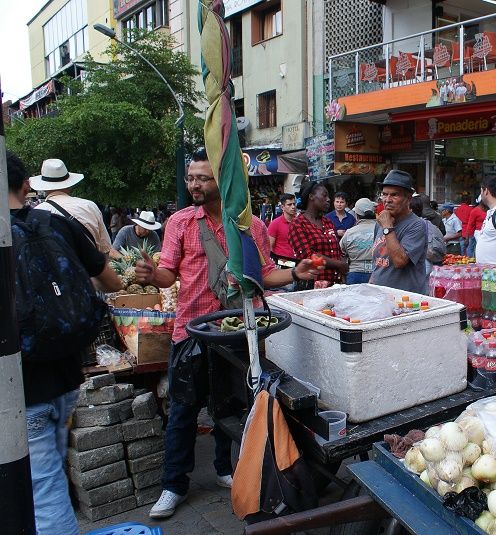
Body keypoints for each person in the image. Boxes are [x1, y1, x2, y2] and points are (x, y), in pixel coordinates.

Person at [135, 148, 320, 519]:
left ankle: (223, 468)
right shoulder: (181, 222)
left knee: (229, 407)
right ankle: (173, 485)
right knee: (184, 412)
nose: (194, 185)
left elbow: (265, 275)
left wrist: (296, 274)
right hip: (192, 331)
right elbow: (168, 274)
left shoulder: (249, 226)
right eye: (191, 178)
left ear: (222, 182)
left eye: (202, 178)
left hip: (237, 334)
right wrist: (151, 275)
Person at [7, 150, 123, 534]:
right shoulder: (55, 222)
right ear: (26, 186)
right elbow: (113, 282)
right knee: (49, 473)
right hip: (67, 369)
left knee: (43, 487)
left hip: (22, 386)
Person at [31, 158, 113, 254]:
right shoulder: (90, 206)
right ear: (69, 184)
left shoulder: (37, 213)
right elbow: (105, 249)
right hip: (89, 267)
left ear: (44, 186)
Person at [370, 170, 428, 294]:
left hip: (406, 301)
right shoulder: (380, 223)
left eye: (394, 195)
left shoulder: (417, 225)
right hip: (380, 297)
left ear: (408, 198)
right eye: (384, 194)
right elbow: (378, 261)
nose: (387, 200)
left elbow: (399, 261)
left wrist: (387, 228)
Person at [289, 182, 349, 287]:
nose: (328, 199)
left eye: (328, 196)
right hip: (313, 285)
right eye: (324, 195)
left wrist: (342, 268)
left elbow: (337, 251)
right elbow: (308, 256)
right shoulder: (298, 224)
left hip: (335, 285)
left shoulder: (328, 222)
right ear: (311, 196)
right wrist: (339, 265)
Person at [340, 198, 378, 284]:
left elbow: (340, 253)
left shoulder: (349, 233)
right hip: (378, 273)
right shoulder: (382, 230)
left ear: (356, 215)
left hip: (354, 275)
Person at [411, 195, 446, 278]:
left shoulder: (413, 224)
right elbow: (443, 232)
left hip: (420, 260)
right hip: (431, 255)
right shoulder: (437, 215)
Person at [268, 193, 299, 269]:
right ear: (282, 207)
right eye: (289, 204)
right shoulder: (275, 223)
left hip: (299, 263)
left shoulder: (300, 222)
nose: (293, 207)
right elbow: (269, 247)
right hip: (282, 264)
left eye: (294, 204)